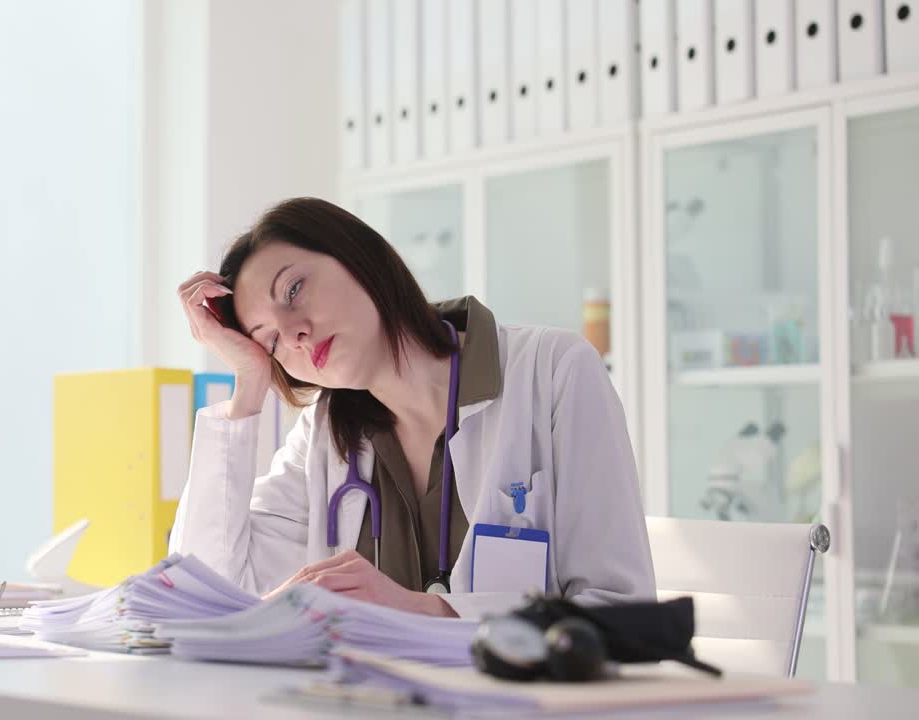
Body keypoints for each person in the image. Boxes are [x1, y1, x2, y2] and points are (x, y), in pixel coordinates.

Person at [169, 197, 654, 618]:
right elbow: (208, 592)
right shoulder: (323, 436)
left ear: (357, 255)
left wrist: (431, 610)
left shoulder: (554, 372)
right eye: (270, 340)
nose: (294, 332)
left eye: (293, 290)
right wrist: (249, 385)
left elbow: (620, 610)